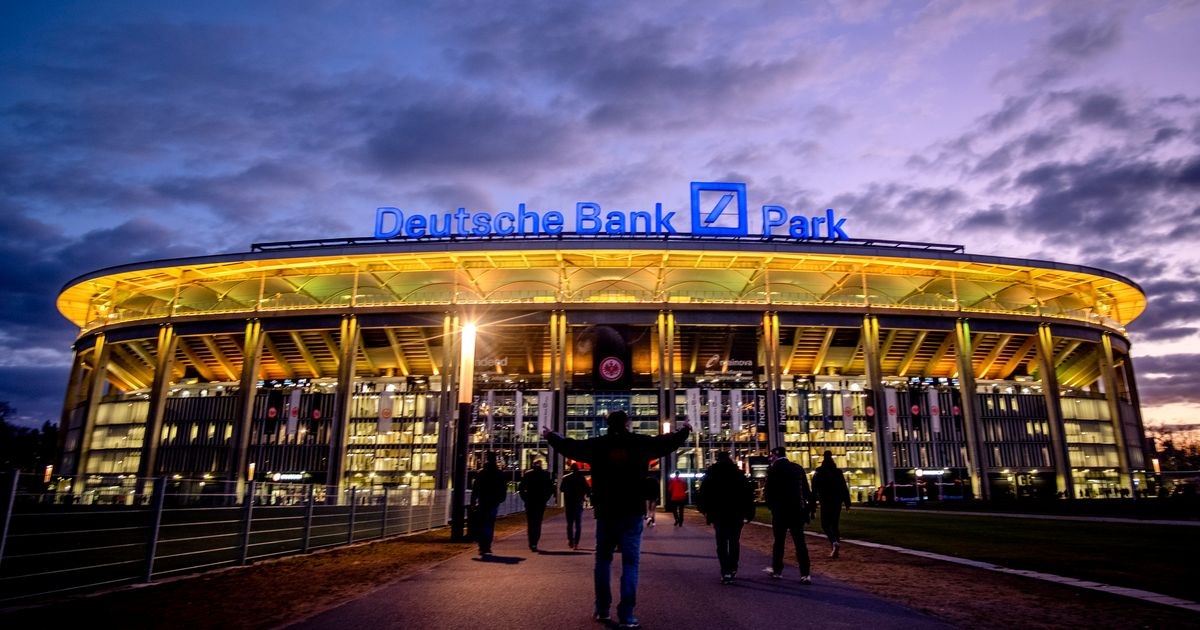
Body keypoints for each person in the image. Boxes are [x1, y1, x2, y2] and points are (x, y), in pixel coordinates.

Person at [543, 411, 691, 630]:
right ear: (628, 423)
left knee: (603, 561)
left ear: (607, 424)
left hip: (606, 511)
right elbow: (665, 444)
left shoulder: (598, 445)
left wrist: (551, 436)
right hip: (631, 511)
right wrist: (685, 430)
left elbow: (571, 447)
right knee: (631, 564)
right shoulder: (640, 443)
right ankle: (627, 615)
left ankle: (602, 609)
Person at [697, 451, 756, 584]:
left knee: (722, 542)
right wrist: (749, 512)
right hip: (736, 512)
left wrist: (705, 510)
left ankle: (725, 571)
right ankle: (733, 567)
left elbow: (703, 493)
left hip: (718, 512)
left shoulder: (712, 474)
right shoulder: (737, 474)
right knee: (734, 541)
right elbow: (747, 494)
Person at [763, 446, 813, 584]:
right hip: (797, 510)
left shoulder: (773, 470)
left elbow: (768, 493)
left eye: (771, 456)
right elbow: (806, 491)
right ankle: (805, 573)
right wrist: (808, 507)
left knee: (779, 542)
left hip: (780, 511)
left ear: (775, 455)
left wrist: (772, 507)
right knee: (800, 543)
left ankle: (777, 570)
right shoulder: (797, 468)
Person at [810, 450, 852, 558]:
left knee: (825, 525)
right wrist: (847, 503)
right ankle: (835, 546)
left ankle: (834, 542)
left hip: (825, 501)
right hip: (837, 501)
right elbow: (843, 487)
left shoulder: (819, 471)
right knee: (835, 525)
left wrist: (812, 506)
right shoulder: (837, 472)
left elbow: (814, 489)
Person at [470, 451, 507, 557]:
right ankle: (487, 546)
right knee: (490, 523)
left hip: (483, 500)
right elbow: (503, 488)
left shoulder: (481, 473)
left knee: (482, 523)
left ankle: (482, 546)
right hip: (494, 501)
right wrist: (501, 498)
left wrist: (473, 501)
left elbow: (476, 488)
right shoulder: (499, 473)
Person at [518, 459, 555, 552]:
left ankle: (531, 542)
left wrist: (525, 498)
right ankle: (535, 542)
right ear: (541, 465)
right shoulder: (545, 475)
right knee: (538, 522)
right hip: (540, 502)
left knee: (531, 523)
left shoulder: (527, 474)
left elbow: (521, 488)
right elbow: (550, 489)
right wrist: (545, 498)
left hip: (530, 501)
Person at [561, 463, 592, 550]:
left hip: (569, 503)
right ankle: (576, 543)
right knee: (578, 524)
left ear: (570, 469)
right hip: (578, 502)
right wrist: (586, 495)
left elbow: (561, 489)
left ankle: (570, 540)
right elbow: (587, 489)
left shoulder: (566, 478)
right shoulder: (581, 478)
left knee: (570, 524)